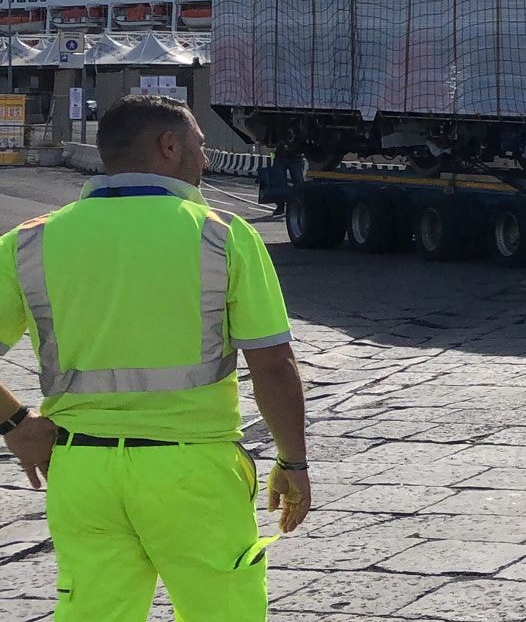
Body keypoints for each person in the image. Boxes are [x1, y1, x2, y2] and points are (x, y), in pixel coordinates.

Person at [0, 93, 311, 619]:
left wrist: (16, 424)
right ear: (169, 146)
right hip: (192, 470)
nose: (205, 158)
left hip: (80, 470)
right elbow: (274, 366)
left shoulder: (28, 242)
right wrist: (292, 461)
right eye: (199, 145)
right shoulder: (222, 235)